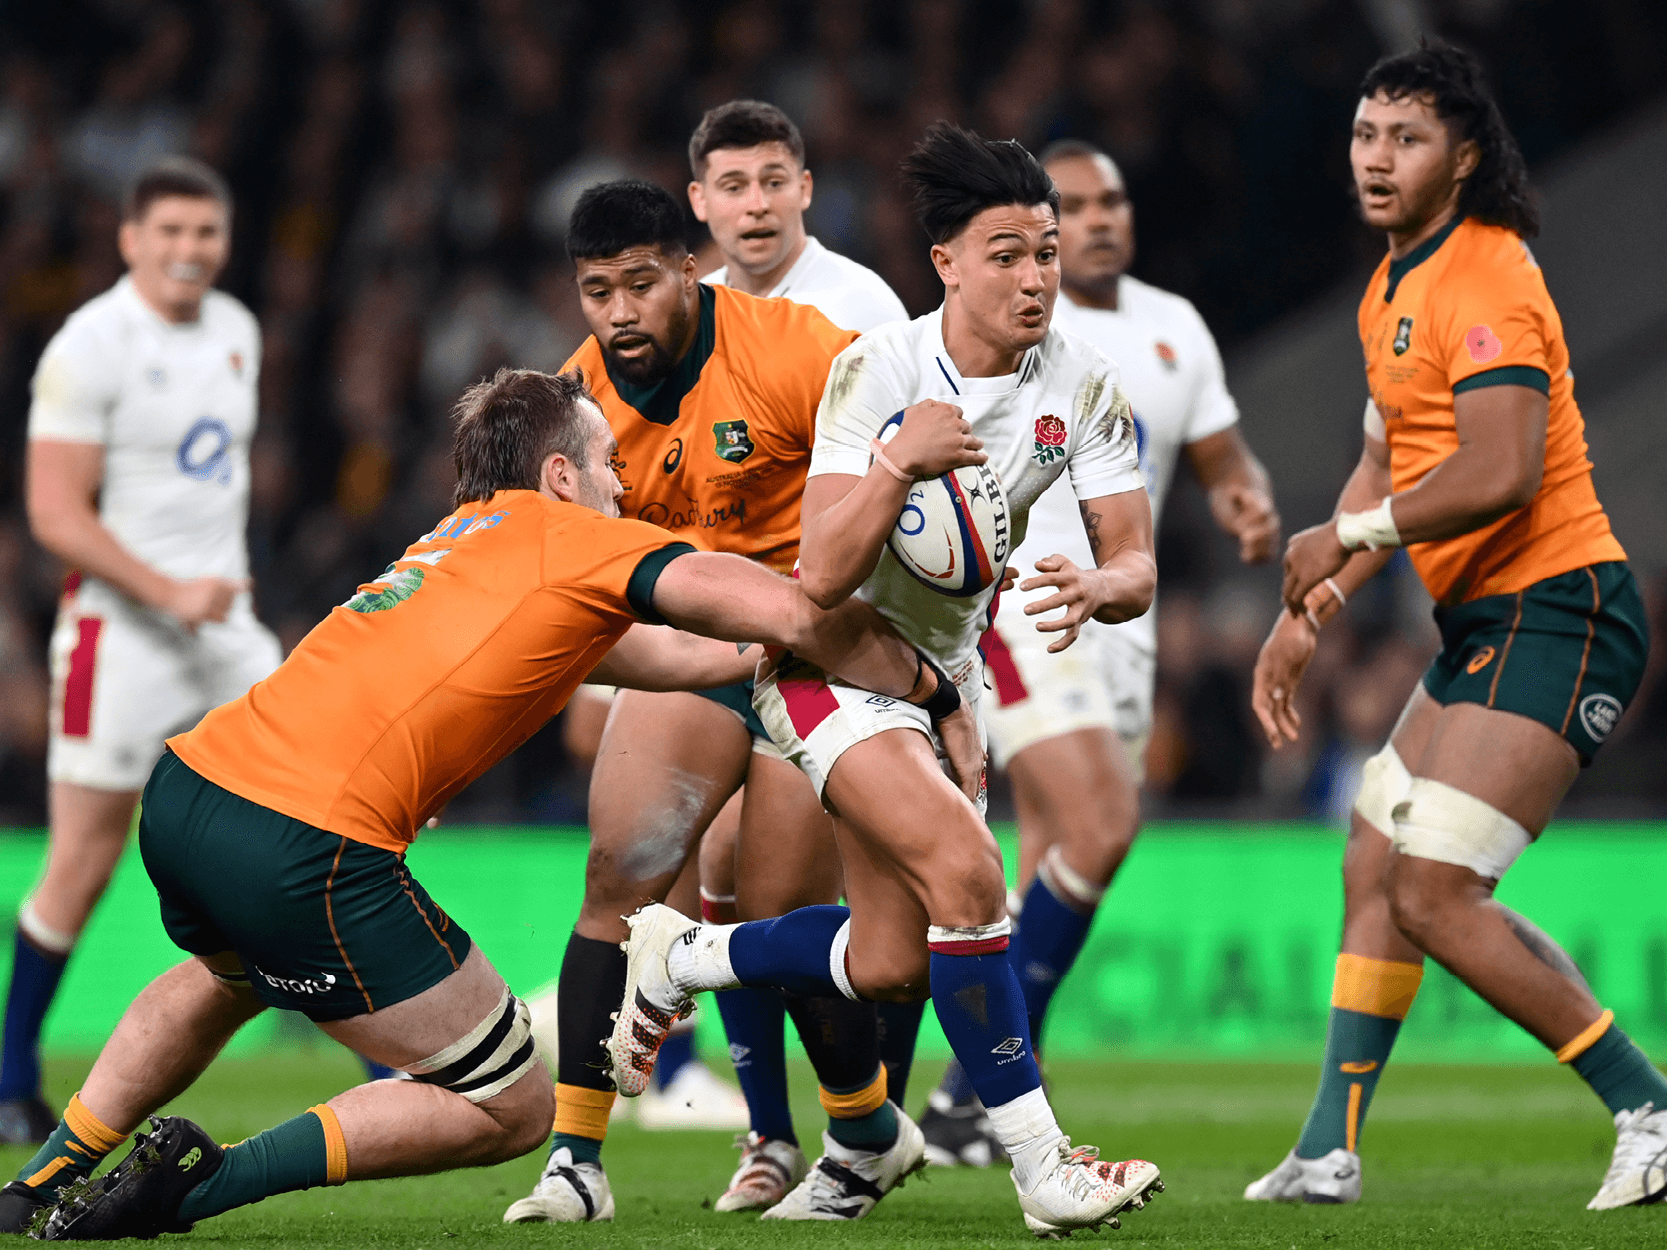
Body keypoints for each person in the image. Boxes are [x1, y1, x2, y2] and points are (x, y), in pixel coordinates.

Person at [4, 367, 970, 1240]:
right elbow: (797, 612)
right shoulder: (573, 539)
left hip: (190, 793)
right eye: (604, 464)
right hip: (305, 841)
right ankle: (194, 1185)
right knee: (509, 1105)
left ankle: (43, 1178)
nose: (622, 487)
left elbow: (684, 656)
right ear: (558, 475)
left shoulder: (463, 540)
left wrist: (770, 661)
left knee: (232, 976)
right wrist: (934, 682)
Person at [606, 123, 1167, 1237]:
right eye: (1004, 253)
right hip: (826, 663)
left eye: (1045, 252)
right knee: (970, 877)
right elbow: (817, 571)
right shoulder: (881, 369)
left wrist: (1105, 585)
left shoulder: (1086, 385)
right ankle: (1041, 1166)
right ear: (946, 263)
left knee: (890, 958)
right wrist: (899, 462)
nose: (1034, 277)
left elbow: (1138, 556)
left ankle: (687, 953)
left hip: (943, 674)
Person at [1243, 42, 1661, 1210]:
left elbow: (1502, 468)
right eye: (1366, 135)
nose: (1376, 159)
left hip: (1561, 605)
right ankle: (1327, 1145)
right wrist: (1309, 608)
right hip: (1486, 619)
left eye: (1406, 138)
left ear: (1462, 157)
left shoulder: (1483, 273)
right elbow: (1384, 455)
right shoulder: (1390, 285)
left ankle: (1649, 1105)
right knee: (1372, 854)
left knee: (1433, 888)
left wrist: (1346, 536)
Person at [501, 180, 917, 1225]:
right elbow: (560, 562)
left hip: (807, 652)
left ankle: (859, 1132)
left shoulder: (799, 351)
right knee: (620, 877)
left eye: (641, 283)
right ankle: (576, 1161)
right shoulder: (575, 406)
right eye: (597, 292)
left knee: (778, 919)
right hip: (693, 656)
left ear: (691, 267)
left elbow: (904, 482)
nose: (619, 312)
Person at [918, 138, 1281, 1165]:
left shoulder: (1175, 328)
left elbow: (1217, 452)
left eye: (1108, 199)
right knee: (1103, 825)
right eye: (1070, 205)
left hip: (1121, 617)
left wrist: (1240, 496)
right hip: (1028, 603)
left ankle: (962, 1100)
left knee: (1052, 859)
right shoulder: (1017, 313)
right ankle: (971, 1095)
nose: (1095, 219)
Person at [3, 157, 280, 1144]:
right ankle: (8, 1074)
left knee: (320, 809)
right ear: (129, 238)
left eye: (205, 232)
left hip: (222, 625)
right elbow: (51, 513)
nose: (188, 250)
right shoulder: (90, 344)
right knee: (81, 859)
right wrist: (169, 591)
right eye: (168, 232)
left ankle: (389, 1043)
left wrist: (207, 592)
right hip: (120, 632)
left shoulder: (238, 332)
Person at [689, 96, 923, 1210]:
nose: (753, 203)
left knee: (815, 897)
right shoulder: (684, 312)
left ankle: (864, 1121)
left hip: (835, 641)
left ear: (805, 188)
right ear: (700, 201)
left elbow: (906, 486)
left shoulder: (857, 305)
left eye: (772, 179)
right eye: (731, 185)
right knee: (724, 877)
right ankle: (775, 1136)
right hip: (721, 639)